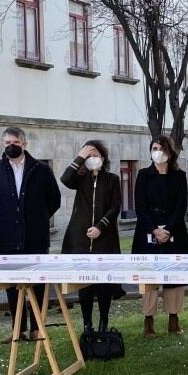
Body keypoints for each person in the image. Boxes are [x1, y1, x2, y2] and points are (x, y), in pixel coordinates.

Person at [0, 127, 61, 341]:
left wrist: (38, 218)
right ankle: (17, 329)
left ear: (24, 144)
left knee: (38, 285)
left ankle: (37, 327)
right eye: (7, 143)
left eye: (15, 142)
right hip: (8, 237)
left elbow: (54, 200)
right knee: (12, 286)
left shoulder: (41, 170)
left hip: (36, 237)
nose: (11, 146)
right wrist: (7, 217)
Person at [132, 135, 188, 336]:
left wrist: (168, 230)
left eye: (161, 148)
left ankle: (173, 318)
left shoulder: (179, 176)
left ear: (169, 152)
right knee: (149, 276)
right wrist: (154, 230)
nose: (157, 152)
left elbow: (180, 206)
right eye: (154, 148)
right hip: (148, 231)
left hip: (173, 230)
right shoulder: (143, 175)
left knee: (174, 276)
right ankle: (148, 320)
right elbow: (140, 207)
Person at [61, 140, 122, 333]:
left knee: (104, 284)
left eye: (95, 155)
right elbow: (65, 178)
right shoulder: (80, 179)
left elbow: (115, 207)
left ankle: (103, 322)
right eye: (89, 156)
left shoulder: (112, 179)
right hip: (80, 238)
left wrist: (100, 226)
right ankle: (87, 324)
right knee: (85, 285)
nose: (92, 159)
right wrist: (80, 156)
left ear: (103, 158)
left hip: (104, 238)